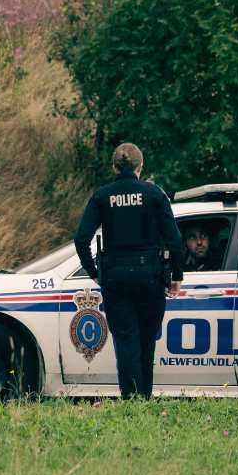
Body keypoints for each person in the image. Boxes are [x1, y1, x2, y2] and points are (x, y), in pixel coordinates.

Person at [74, 143, 185, 399]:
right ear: (140, 167)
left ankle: (131, 399)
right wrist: (177, 276)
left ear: (114, 167)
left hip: (115, 278)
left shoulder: (102, 196)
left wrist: (93, 271)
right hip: (150, 277)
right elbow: (174, 239)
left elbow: (81, 239)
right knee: (146, 342)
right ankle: (144, 397)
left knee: (126, 343)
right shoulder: (154, 194)